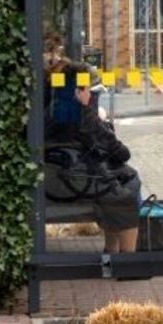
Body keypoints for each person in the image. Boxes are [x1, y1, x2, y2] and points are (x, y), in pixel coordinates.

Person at [47, 62, 141, 253]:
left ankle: (112, 249)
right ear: (81, 91)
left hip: (47, 185)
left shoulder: (45, 114)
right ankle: (127, 261)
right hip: (77, 186)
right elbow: (122, 153)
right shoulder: (86, 119)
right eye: (91, 88)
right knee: (127, 192)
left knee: (120, 183)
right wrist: (90, 111)